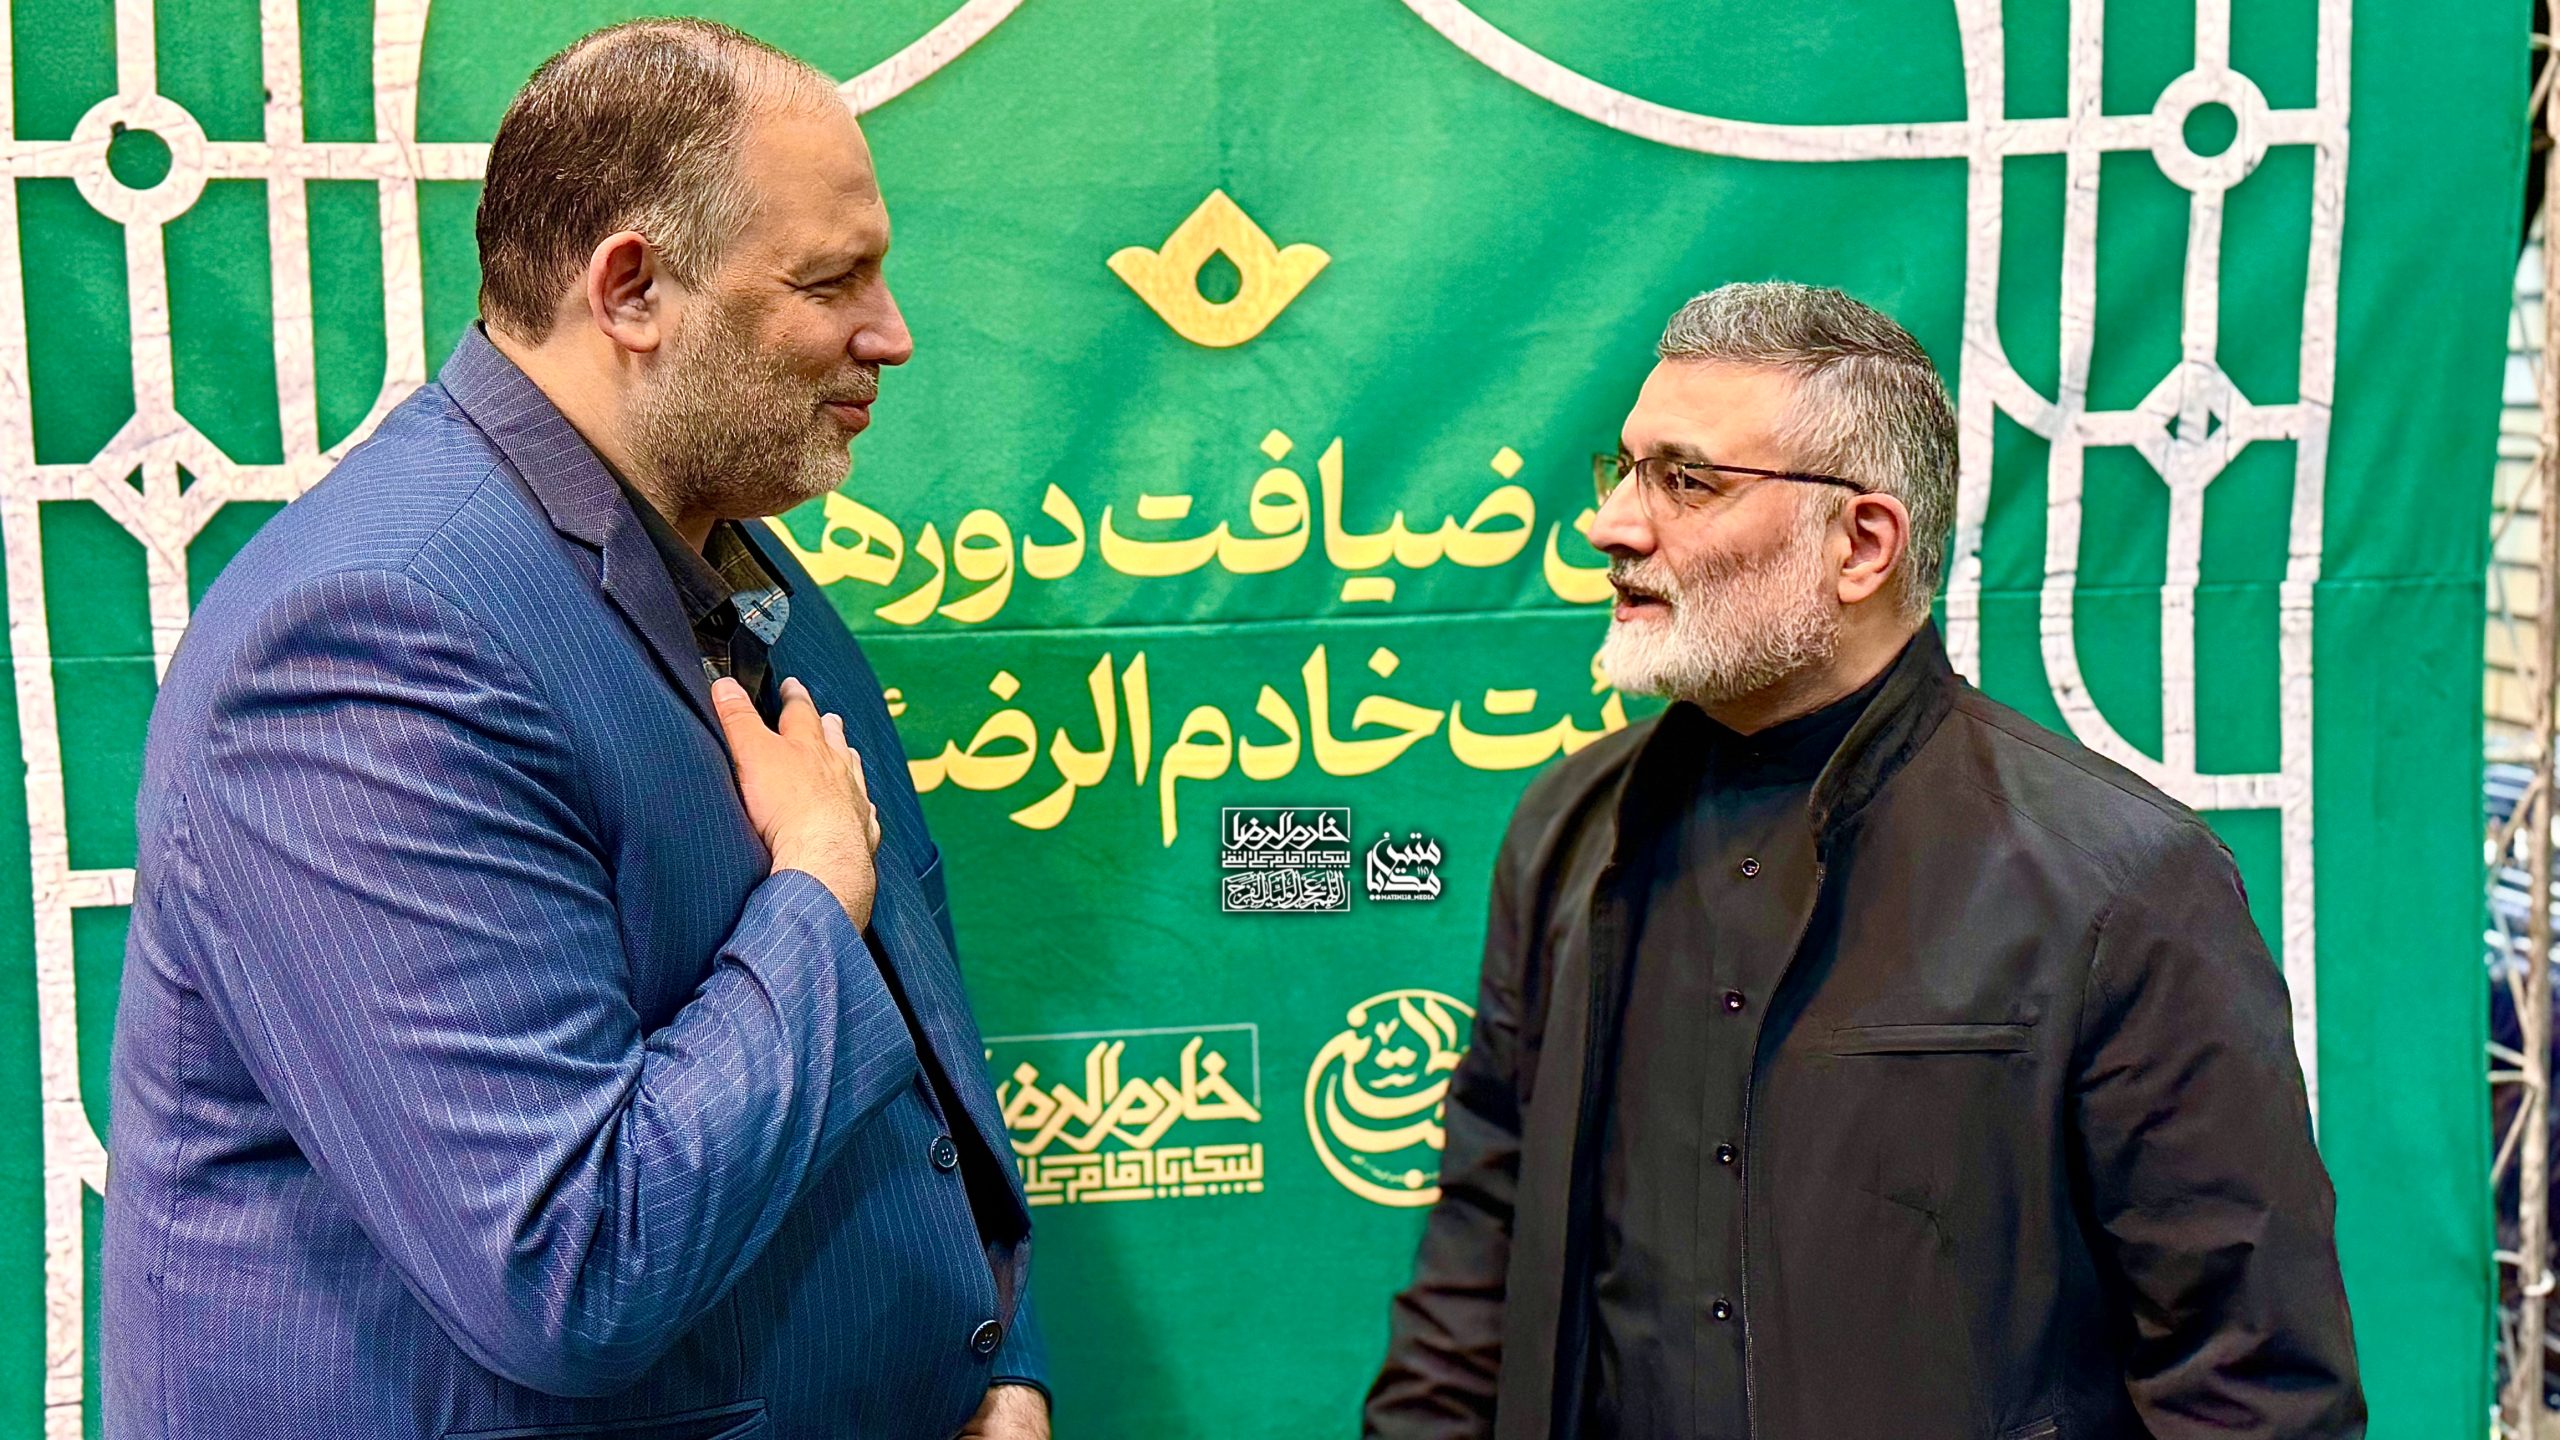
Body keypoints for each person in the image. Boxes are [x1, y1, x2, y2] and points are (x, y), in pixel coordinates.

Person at [101, 21, 1047, 1439]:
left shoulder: (741, 568)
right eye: (831, 280)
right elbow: (569, 1269)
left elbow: (920, 1045)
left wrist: (1001, 1364)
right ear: (632, 290)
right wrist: (812, 890)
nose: (889, 333)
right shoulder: (370, 639)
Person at [1363, 282, 2362, 1440]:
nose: (1613, 526)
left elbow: (2252, 1387)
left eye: (1686, 481)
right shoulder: (1565, 834)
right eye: (1625, 471)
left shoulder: (2121, 885)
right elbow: (1480, 1262)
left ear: (1862, 545)